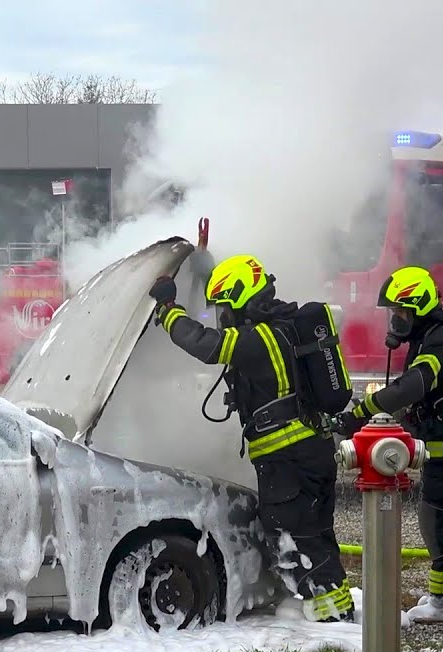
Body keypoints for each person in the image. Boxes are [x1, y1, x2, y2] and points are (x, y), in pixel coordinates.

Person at [148, 253, 353, 623]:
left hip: (287, 458)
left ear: (241, 297)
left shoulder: (259, 338)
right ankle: (337, 608)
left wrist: (167, 308)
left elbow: (203, 343)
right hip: (312, 450)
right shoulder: (285, 327)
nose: (223, 315)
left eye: (225, 306)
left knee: (293, 536)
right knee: (317, 532)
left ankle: (328, 620)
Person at [335, 266, 443, 618]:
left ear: (418, 308)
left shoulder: (439, 339)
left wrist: (365, 408)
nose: (395, 320)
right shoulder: (431, 334)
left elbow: (415, 385)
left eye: (400, 313)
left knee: (438, 521)